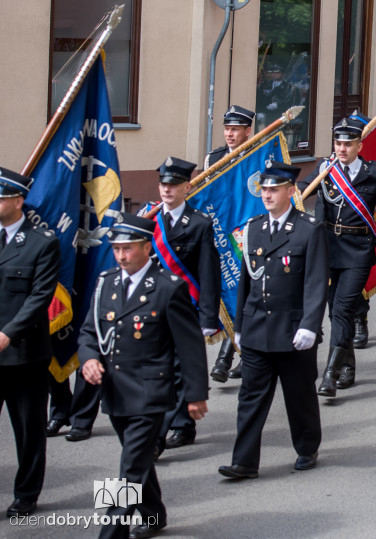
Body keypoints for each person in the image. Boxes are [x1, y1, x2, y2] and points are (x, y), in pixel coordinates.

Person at [78, 214, 208, 538]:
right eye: (116, 249)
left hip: (151, 394)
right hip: (116, 392)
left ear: (145, 247)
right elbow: (88, 332)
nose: (121, 256)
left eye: (127, 249)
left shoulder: (168, 288)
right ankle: (153, 514)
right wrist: (89, 359)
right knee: (137, 463)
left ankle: (110, 533)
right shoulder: (106, 282)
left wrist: (195, 395)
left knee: (128, 469)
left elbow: (189, 347)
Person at [219, 161, 328, 479]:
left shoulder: (309, 229)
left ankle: (307, 447)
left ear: (290, 191)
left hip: (293, 331)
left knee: (299, 395)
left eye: (274, 189)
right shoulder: (252, 228)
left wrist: (310, 324)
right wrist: (238, 327)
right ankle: (244, 461)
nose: (267, 194)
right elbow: (245, 284)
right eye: (264, 189)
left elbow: (316, 282)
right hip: (256, 329)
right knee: (250, 398)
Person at [300, 116, 376, 399]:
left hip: (358, 251)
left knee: (343, 309)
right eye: (338, 143)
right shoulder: (325, 169)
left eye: (348, 143)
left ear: (360, 144)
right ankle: (348, 365)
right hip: (328, 249)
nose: (342, 149)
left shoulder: (375, 173)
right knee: (336, 313)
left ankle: (330, 374)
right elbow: (301, 194)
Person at [144, 157, 220, 457]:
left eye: (173, 184)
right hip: (152, 307)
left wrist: (208, 316)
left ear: (187, 187)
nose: (167, 189)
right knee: (158, 369)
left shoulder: (199, 223)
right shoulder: (148, 219)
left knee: (176, 370)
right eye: (163, 183)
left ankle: (158, 438)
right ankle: (181, 425)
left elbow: (208, 273)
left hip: (185, 307)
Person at [0, 167, 59, 519]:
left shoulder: (42, 242)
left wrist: (8, 333)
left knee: (28, 431)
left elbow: (39, 298)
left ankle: (26, 494)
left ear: (18, 201)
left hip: (23, 354)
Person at [207, 105, 255, 383]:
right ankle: (236, 354)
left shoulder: (256, 157)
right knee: (226, 292)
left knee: (242, 294)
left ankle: (229, 357)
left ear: (247, 131)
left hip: (247, 237)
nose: (230, 134)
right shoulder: (213, 158)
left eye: (235, 129)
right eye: (227, 128)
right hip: (221, 236)